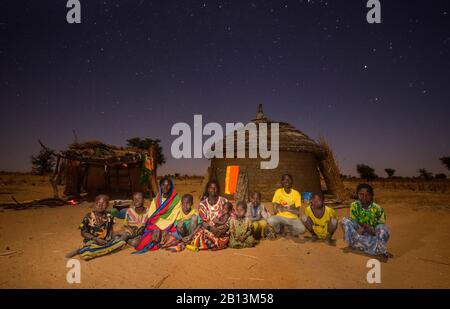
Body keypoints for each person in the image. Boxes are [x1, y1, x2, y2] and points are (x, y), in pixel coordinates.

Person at [66, 194, 126, 260]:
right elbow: (83, 233)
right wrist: (96, 239)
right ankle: (80, 250)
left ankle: (93, 251)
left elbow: (110, 231)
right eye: (98, 203)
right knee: (86, 255)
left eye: (103, 203)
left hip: (105, 242)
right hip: (92, 241)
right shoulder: (88, 216)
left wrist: (116, 236)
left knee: (121, 242)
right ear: (94, 205)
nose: (100, 205)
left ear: (107, 206)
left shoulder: (109, 216)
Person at [134, 176, 183, 253]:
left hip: (170, 226)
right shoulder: (156, 200)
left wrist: (161, 229)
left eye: (168, 185)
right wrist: (156, 228)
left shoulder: (176, 200)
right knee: (142, 243)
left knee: (176, 235)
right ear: (160, 186)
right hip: (154, 226)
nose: (165, 187)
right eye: (163, 185)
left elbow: (173, 217)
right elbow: (151, 216)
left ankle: (165, 240)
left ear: (171, 186)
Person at [342, 184, 390, 256]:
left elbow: (379, 228)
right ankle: (364, 245)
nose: (364, 197)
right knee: (345, 221)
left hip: (372, 234)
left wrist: (368, 229)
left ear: (371, 196)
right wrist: (363, 228)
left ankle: (375, 247)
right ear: (357, 195)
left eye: (367, 195)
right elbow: (354, 222)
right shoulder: (354, 205)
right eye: (361, 194)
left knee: (384, 229)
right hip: (360, 232)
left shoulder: (378, 209)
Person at [190, 180, 231, 250]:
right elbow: (203, 221)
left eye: (215, 188)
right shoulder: (203, 204)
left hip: (221, 230)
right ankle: (214, 244)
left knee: (223, 238)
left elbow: (231, 216)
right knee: (197, 239)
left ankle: (212, 244)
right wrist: (211, 228)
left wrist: (223, 229)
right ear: (208, 189)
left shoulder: (224, 201)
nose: (213, 190)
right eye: (211, 188)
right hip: (208, 230)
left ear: (218, 189)